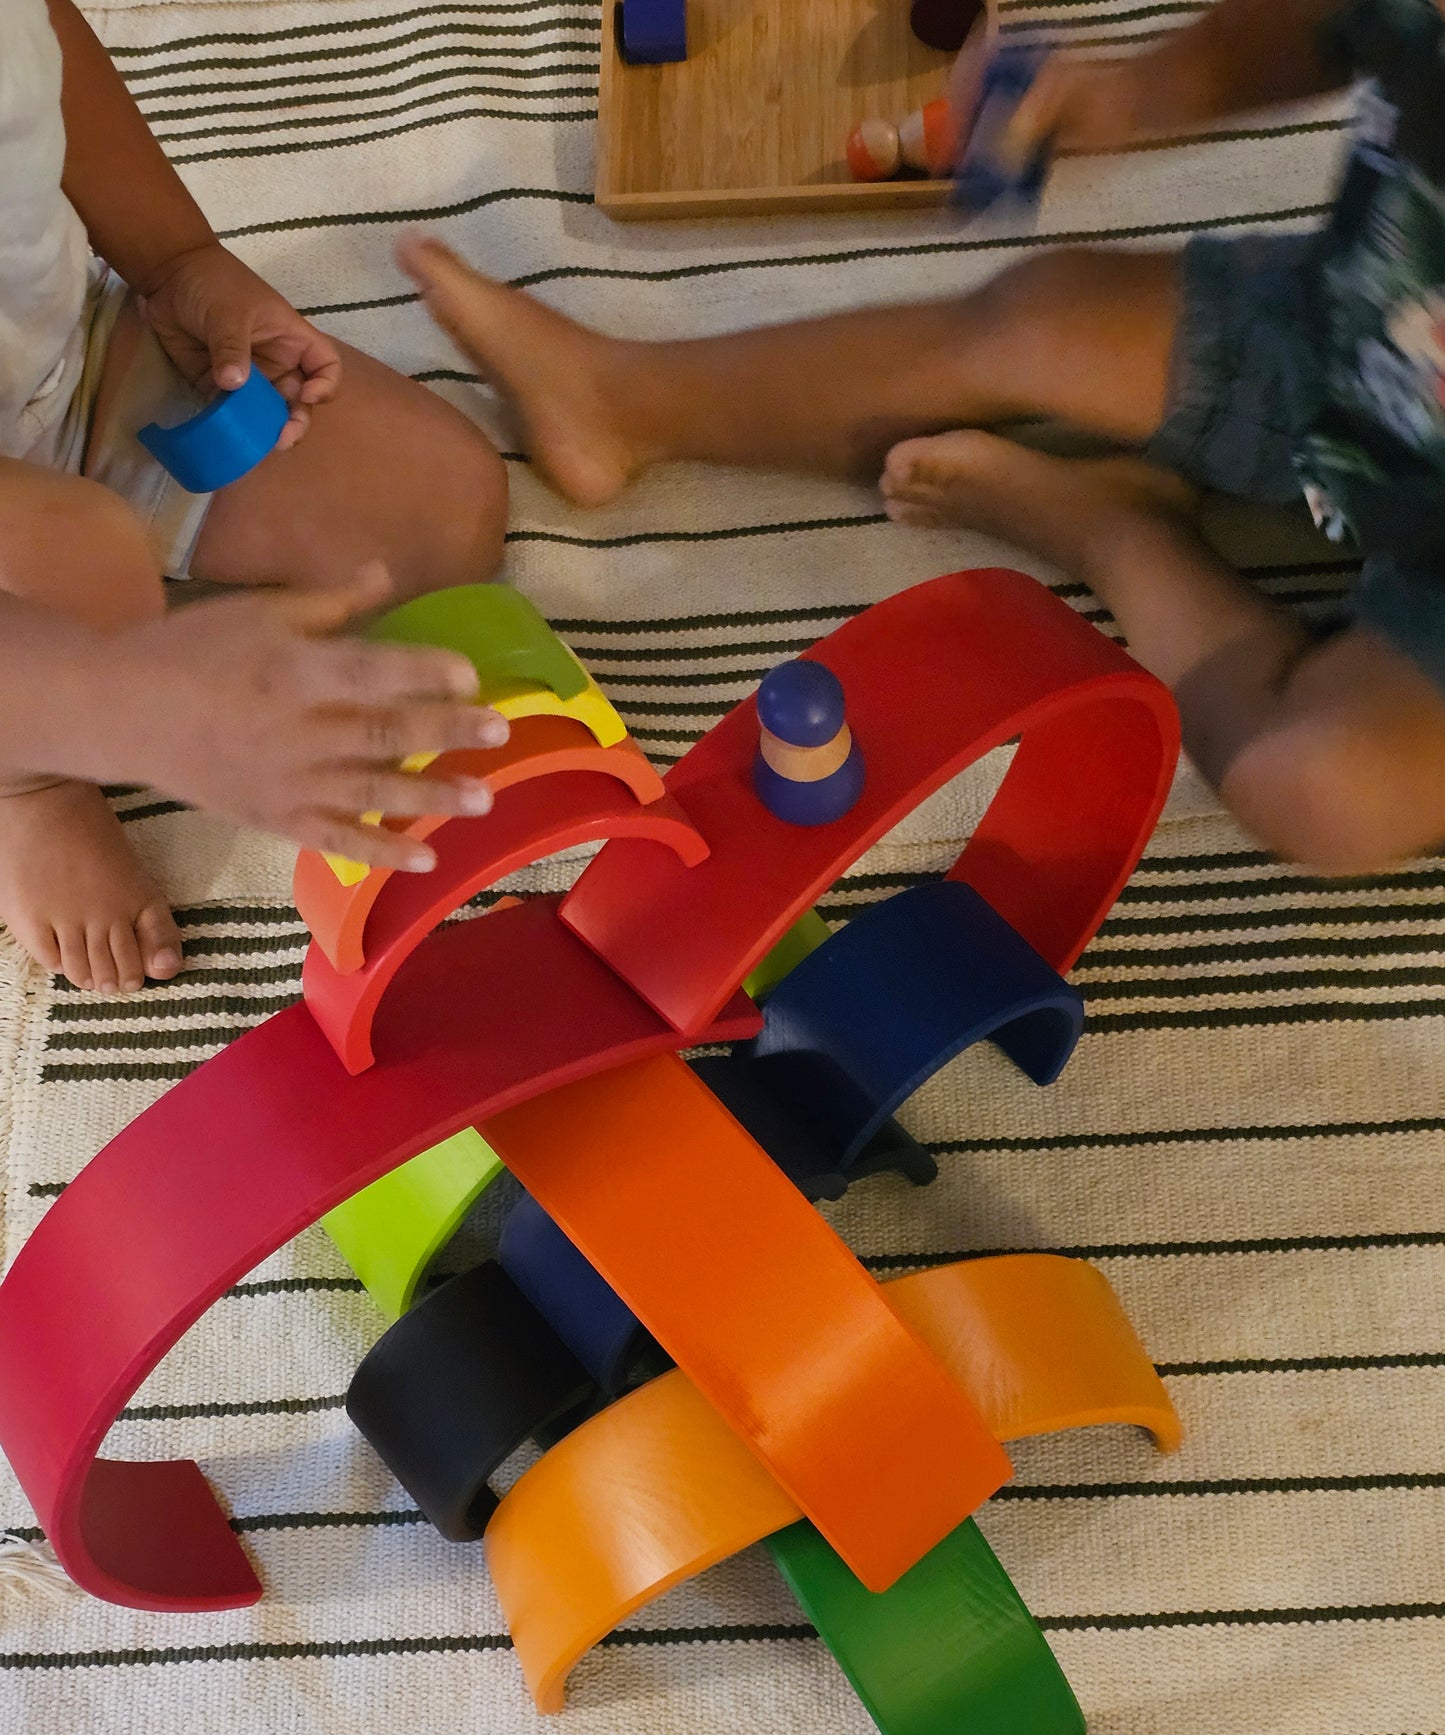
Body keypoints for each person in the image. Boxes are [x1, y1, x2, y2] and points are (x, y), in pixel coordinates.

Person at [396, 0, 1445, 875]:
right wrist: (1137, 91)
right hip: (1368, 331)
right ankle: (619, 402)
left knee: (1320, 792)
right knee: (1039, 320)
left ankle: (1116, 531)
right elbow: (1326, 19)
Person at [1, 0, 510, 993]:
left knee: (435, 507)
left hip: (57, 369)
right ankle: (25, 781)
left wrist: (179, 260)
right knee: (73, 607)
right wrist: (119, 709)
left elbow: (41, 40)